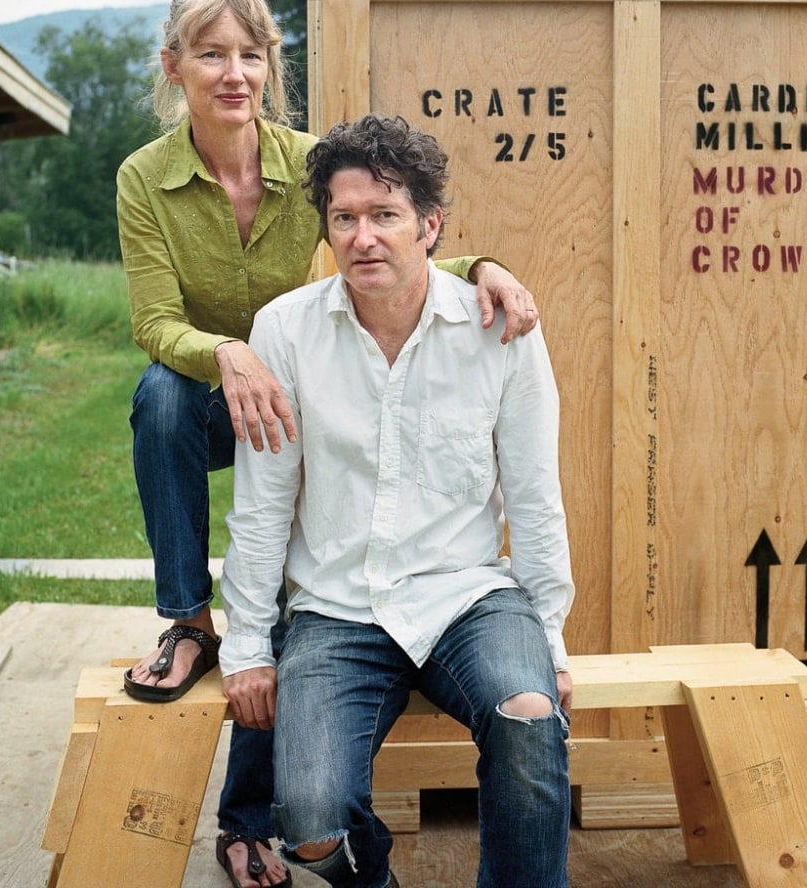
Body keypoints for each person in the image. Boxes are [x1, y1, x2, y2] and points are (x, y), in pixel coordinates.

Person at [114, 0, 541, 888]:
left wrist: (489, 265)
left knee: (302, 578)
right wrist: (228, 351)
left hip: (310, 390)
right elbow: (153, 322)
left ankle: (248, 816)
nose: (233, 72)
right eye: (211, 54)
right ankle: (190, 621)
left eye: (249, 53)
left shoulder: (309, 160)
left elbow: (390, 231)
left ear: (270, 66)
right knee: (156, 398)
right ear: (175, 68)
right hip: (216, 381)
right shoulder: (144, 178)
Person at [220, 113, 575, 888]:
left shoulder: (498, 329)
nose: (363, 237)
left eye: (385, 216)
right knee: (309, 822)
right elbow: (262, 505)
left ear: (430, 226)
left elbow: (535, 494)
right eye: (344, 219)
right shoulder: (284, 331)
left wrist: (548, 636)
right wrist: (247, 646)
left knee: (529, 716)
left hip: (468, 598)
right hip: (337, 608)